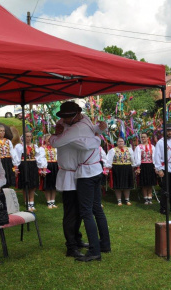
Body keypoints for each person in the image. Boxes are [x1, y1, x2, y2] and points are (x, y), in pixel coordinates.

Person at [50, 101, 110, 262]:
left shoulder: (82, 122)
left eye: (69, 117)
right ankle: (71, 246)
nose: (65, 120)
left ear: (77, 114)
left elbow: (89, 132)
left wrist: (98, 130)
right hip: (70, 173)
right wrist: (56, 133)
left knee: (80, 211)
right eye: (64, 117)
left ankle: (77, 239)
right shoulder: (67, 126)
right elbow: (53, 142)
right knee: (71, 213)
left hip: (79, 172)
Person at [14, 131, 46, 212]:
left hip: (32, 165)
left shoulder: (35, 146)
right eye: (27, 136)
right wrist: (16, 168)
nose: (28, 138)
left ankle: (32, 202)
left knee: (33, 184)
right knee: (26, 184)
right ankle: (27, 202)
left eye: (30, 136)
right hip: (24, 165)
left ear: (32, 137)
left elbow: (38, 157)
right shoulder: (19, 146)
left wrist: (41, 167)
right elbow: (17, 157)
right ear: (23, 137)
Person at [153, 123, 171, 215]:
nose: (170, 132)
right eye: (168, 131)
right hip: (164, 167)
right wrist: (159, 169)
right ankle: (163, 208)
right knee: (165, 189)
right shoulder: (160, 142)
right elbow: (157, 156)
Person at [105, 137, 136, 206]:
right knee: (118, 184)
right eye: (119, 141)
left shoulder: (129, 149)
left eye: (122, 141)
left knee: (127, 184)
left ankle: (127, 199)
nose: (120, 143)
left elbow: (132, 159)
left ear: (124, 142)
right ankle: (119, 200)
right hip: (117, 168)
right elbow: (109, 160)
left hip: (127, 168)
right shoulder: (113, 150)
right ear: (117, 142)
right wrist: (108, 168)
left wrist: (134, 166)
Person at [134, 132, 157, 205]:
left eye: (144, 137)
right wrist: (137, 167)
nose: (143, 138)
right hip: (142, 166)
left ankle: (150, 198)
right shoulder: (139, 147)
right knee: (144, 183)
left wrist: (156, 167)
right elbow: (137, 158)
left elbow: (155, 157)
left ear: (148, 138)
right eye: (142, 137)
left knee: (150, 183)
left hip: (150, 165)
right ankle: (145, 198)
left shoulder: (152, 147)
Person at [40, 134, 59, 209]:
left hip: (54, 165)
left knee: (54, 184)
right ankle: (48, 201)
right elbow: (41, 158)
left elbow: (58, 157)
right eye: (48, 139)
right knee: (47, 184)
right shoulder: (42, 148)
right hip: (47, 166)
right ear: (45, 140)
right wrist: (43, 168)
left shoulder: (55, 148)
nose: (49, 141)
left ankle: (53, 201)